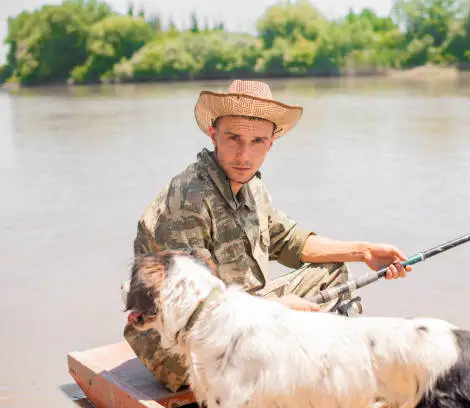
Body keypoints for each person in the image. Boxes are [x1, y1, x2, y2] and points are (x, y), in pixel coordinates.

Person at [122, 79, 412, 393]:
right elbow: (191, 309)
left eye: (257, 141)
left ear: (271, 143)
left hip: (244, 314)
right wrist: (278, 311)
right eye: (233, 138)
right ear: (213, 134)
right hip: (180, 345)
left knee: (335, 273)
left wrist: (364, 251)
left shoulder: (250, 186)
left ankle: (336, 378)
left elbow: (287, 240)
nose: (244, 154)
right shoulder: (188, 199)